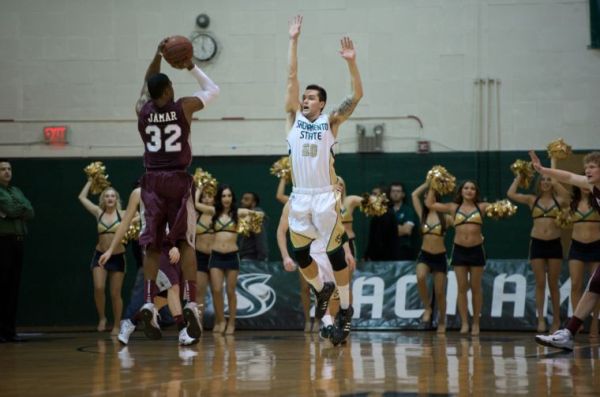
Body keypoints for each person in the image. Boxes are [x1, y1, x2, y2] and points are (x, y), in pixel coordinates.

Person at [134, 37, 219, 343]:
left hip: (152, 180)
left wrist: (157, 55)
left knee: (152, 245)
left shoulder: (142, 109)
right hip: (178, 180)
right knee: (184, 242)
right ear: (169, 90)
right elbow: (213, 90)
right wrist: (191, 66)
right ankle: (192, 303)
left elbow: (147, 85)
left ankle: (147, 301)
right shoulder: (183, 107)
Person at [285, 15, 363, 346]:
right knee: (298, 253)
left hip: (324, 196)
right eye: (304, 96)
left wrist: (352, 63)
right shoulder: (293, 119)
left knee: (334, 257)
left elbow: (356, 95)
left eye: (311, 97)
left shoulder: (330, 122)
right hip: (300, 196)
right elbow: (291, 76)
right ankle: (324, 290)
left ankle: (345, 309)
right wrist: (294, 40)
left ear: (322, 103)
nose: (305, 100)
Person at [99, 187, 198, 346]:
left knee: (163, 298)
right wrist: (110, 250)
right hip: (152, 246)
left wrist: (176, 246)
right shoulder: (138, 193)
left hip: (171, 244)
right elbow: (124, 224)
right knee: (173, 287)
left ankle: (130, 323)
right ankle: (182, 331)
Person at [530, 151, 600, 350]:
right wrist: (543, 169)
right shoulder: (591, 186)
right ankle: (568, 332)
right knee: (594, 286)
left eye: (592, 166)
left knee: (594, 286)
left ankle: (568, 333)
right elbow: (568, 177)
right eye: (586, 167)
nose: (587, 170)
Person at [276, 201, 356, 336]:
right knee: (319, 291)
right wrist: (285, 256)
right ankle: (328, 326)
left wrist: (347, 252)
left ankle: (338, 325)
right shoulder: (291, 203)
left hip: (331, 249)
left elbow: (339, 228)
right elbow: (281, 230)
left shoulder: (326, 199)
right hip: (310, 253)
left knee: (335, 294)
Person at [507, 167, 570, 333]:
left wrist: (556, 181)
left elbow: (568, 197)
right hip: (537, 244)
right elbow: (511, 194)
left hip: (555, 244)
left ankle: (556, 320)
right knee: (540, 283)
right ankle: (541, 319)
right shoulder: (531, 199)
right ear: (538, 183)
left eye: (549, 180)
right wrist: (519, 177)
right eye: (543, 179)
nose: (546, 182)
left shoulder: (559, 200)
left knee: (554, 284)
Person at [426, 180, 491, 336]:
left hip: (476, 250)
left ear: (476, 192)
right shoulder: (453, 207)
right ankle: (464, 323)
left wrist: (502, 208)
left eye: (472, 188)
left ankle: (476, 322)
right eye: (466, 188)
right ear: (461, 191)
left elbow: (502, 208)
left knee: (476, 288)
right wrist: (434, 184)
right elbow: (430, 203)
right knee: (462, 288)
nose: (469, 191)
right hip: (459, 251)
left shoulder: (481, 207)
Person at [195, 184, 262, 335]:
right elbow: (196, 204)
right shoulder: (213, 211)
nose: (226, 199)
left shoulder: (238, 212)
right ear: (220, 198)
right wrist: (199, 186)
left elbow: (258, 214)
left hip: (232, 255)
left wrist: (253, 223)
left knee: (230, 291)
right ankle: (221, 320)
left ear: (233, 198)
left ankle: (232, 322)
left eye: (229, 196)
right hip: (216, 256)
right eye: (223, 196)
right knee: (217, 290)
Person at [78, 181, 125, 335]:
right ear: (103, 200)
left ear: (116, 199)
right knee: (98, 288)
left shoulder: (123, 214)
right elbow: (82, 197)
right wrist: (91, 181)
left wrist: (134, 222)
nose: (110, 198)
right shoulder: (99, 212)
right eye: (106, 196)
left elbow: (141, 216)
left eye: (112, 196)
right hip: (100, 255)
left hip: (117, 257)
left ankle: (117, 325)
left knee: (115, 294)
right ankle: (102, 318)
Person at [412, 181, 453, 333]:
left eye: (430, 196)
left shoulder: (445, 217)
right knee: (421, 277)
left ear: (436, 199)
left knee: (440, 292)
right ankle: (427, 308)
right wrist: (428, 183)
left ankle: (442, 320)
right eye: (426, 198)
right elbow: (413, 195)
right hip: (425, 255)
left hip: (440, 257)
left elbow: (461, 225)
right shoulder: (422, 213)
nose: (427, 200)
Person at [0, 160, 34, 343]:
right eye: (3, 169)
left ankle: (9, 331)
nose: (7, 172)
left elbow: (30, 211)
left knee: (13, 288)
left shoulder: (16, 190)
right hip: (3, 242)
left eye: (9, 169)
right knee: (3, 287)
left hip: (18, 242)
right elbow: (12, 209)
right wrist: (16, 210)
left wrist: (16, 210)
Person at [567, 185, 600, 336]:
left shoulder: (598, 201)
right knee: (575, 284)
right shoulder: (572, 202)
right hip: (577, 247)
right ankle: (577, 322)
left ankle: (595, 323)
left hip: (596, 246)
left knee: (596, 287)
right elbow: (559, 182)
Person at [194, 188, 215, 322]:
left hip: (215, 257)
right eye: (204, 197)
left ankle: (219, 323)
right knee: (199, 293)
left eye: (210, 196)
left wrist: (199, 189)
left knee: (217, 292)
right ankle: (198, 323)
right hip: (200, 256)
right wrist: (199, 189)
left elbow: (194, 203)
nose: (207, 199)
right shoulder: (196, 215)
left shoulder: (216, 212)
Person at [364, 184, 398, 261]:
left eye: (375, 194)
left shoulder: (388, 214)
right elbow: (373, 239)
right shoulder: (376, 215)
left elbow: (382, 241)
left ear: (383, 197)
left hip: (386, 261)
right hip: (377, 260)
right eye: (372, 194)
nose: (372, 197)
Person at [389, 182, 418, 260]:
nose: (395, 194)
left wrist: (388, 229)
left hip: (403, 251)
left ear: (403, 194)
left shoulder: (408, 211)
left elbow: (407, 230)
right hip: (388, 250)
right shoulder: (386, 211)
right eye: (393, 191)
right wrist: (399, 228)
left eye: (398, 191)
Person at [337, 176, 363, 258]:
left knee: (350, 267)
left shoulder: (349, 200)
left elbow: (366, 201)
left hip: (348, 240)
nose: (339, 187)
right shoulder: (323, 203)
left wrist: (373, 200)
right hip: (330, 243)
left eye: (341, 184)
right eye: (336, 184)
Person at [238, 192, 269, 261]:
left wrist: (262, 257)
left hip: (253, 258)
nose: (242, 201)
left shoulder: (256, 216)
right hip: (244, 257)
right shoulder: (244, 216)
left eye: (246, 199)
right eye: (242, 199)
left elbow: (260, 237)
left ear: (253, 203)